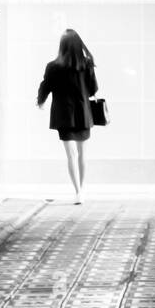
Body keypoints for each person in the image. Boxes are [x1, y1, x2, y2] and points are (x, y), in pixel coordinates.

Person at [37, 29, 98, 204]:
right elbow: (93, 89)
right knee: (82, 154)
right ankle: (82, 190)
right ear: (79, 45)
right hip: (83, 113)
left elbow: (45, 86)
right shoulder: (86, 64)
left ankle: (77, 191)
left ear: (61, 46)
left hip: (63, 115)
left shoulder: (53, 66)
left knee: (71, 155)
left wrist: (41, 101)